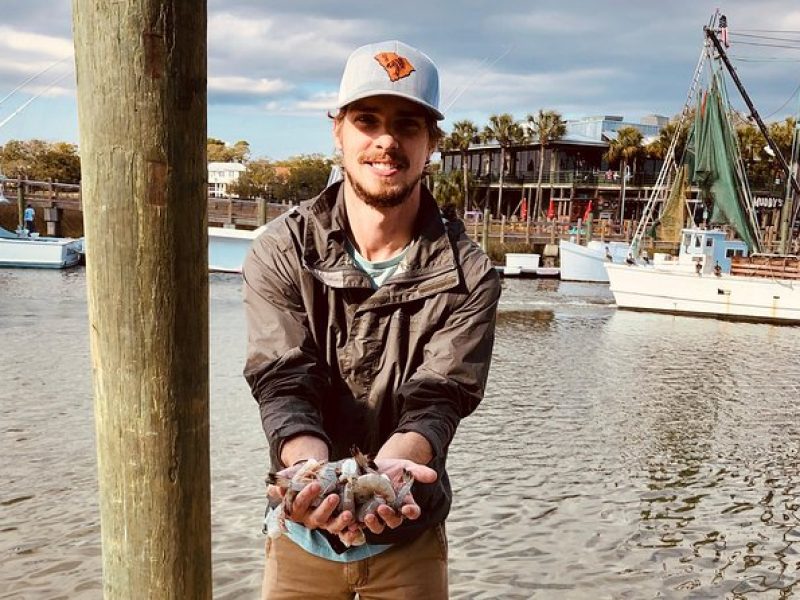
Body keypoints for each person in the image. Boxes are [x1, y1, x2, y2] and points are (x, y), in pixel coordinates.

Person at [242, 40, 501, 599]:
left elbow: (440, 396)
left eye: (408, 125)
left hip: (407, 532)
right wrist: (311, 477)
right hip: (299, 536)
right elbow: (282, 380)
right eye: (367, 120)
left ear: (432, 142)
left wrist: (389, 476)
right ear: (337, 130)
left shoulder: (471, 273)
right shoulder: (281, 250)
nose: (386, 141)